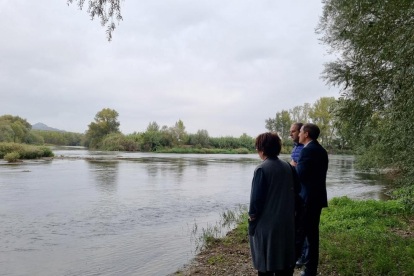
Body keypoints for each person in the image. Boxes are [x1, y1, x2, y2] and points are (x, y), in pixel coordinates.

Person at [249, 132, 300, 276]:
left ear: (262, 149)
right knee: (284, 261)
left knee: (265, 263)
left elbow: (255, 202)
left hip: (266, 226)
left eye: (257, 147)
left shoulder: (261, 169)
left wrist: (252, 219)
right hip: (286, 223)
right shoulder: (288, 167)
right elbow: (298, 190)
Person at [296, 123, 329, 276]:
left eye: (301, 132)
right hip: (318, 198)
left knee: (302, 233)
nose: (299, 134)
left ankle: (300, 267)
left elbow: (299, 176)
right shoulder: (322, 151)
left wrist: (292, 168)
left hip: (307, 200)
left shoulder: (306, 151)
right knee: (312, 235)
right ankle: (310, 269)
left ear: (306, 134)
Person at [289, 122, 308, 267]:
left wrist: (293, 167)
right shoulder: (295, 148)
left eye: (294, 131)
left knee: (304, 226)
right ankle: (298, 253)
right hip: (297, 192)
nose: (291, 134)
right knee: (297, 225)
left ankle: (304, 257)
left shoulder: (306, 149)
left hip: (304, 192)